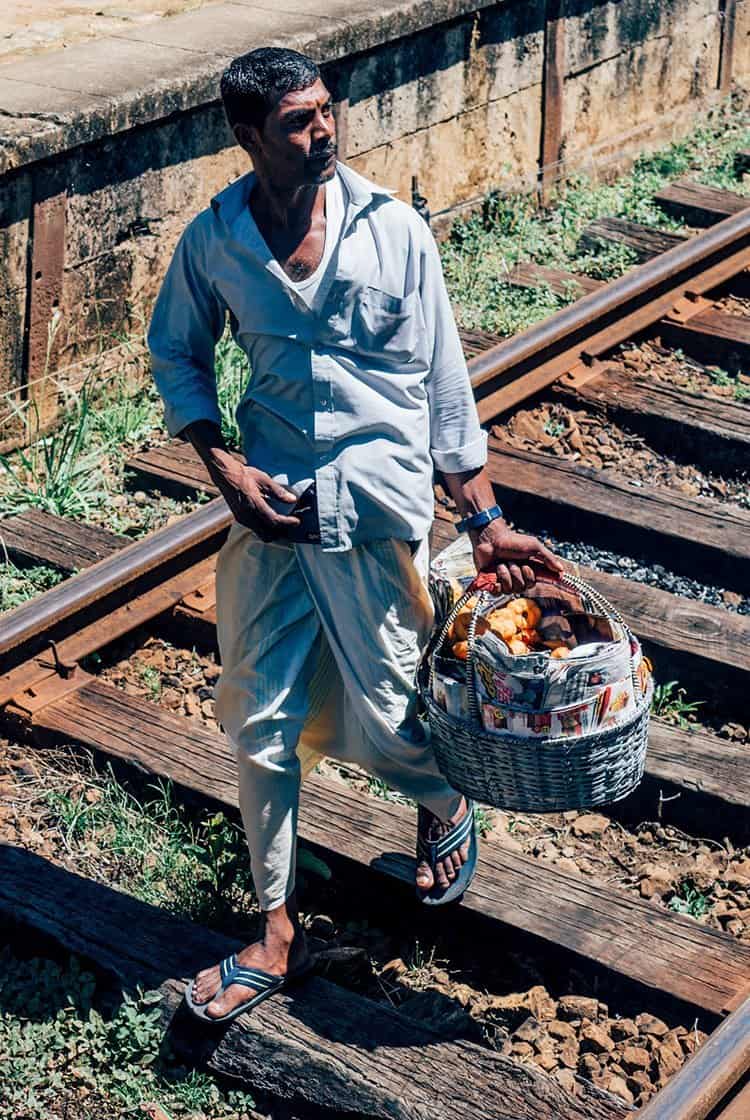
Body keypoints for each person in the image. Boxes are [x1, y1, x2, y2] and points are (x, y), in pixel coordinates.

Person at [148, 46, 562, 1024]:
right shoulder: (215, 242)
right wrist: (223, 466)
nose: (324, 129)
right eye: (298, 121)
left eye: (327, 111)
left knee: (384, 720)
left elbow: (445, 383)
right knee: (257, 720)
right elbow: (176, 351)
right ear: (249, 138)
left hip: (373, 512)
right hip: (275, 514)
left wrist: (486, 516)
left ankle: (447, 799)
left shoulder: (395, 232)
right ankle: (277, 931)